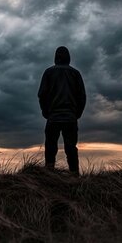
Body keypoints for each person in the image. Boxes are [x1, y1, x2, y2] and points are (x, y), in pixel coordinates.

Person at [37, 46, 86, 175]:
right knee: (71, 148)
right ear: (68, 58)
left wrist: (45, 112)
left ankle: (49, 173)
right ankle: (74, 175)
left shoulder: (49, 72)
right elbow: (82, 96)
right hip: (70, 117)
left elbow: (42, 94)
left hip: (53, 117)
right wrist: (77, 114)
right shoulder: (75, 73)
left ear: (56, 58)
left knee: (50, 146)